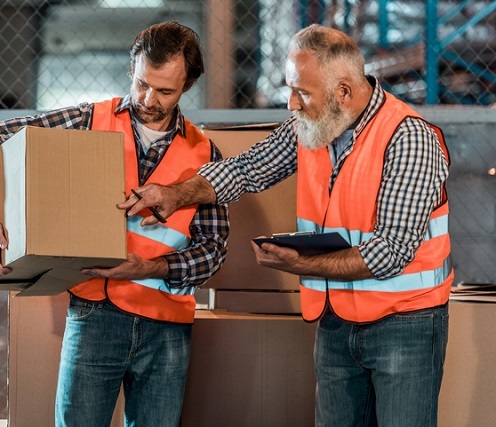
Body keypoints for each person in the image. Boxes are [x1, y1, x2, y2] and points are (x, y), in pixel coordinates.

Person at [123, 24, 453, 427]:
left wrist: (300, 265)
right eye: (289, 89)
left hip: (406, 323)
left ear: (343, 93)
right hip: (337, 319)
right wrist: (174, 194)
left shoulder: (409, 139)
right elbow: (247, 169)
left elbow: (391, 252)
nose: (291, 104)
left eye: (303, 93)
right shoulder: (314, 124)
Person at [0, 21, 229, 427]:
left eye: (165, 91)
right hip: (94, 314)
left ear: (188, 86)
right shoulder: (89, 120)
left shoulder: (205, 153)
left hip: (167, 326)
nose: (148, 99)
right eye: (142, 84)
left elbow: (213, 249)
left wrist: (151, 268)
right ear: (131, 70)